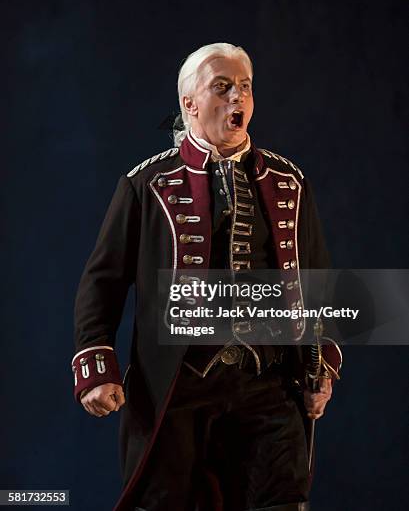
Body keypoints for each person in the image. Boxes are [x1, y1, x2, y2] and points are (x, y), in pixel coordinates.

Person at [72, 43, 342, 511]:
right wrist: (97, 366)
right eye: (222, 88)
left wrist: (324, 366)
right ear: (189, 104)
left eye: (245, 88)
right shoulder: (146, 183)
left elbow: (318, 278)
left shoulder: (289, 181)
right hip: (179, 385)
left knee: (281, 500)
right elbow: (104, 280)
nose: (237, 98)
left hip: (269, 383)